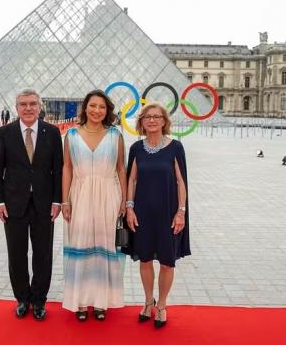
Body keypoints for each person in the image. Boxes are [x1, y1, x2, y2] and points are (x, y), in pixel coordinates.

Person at [0, 88, 63, 321]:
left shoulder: (52, 132)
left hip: (43, 204)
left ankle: (39, 300)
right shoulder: (5, 132)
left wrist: (57, 200)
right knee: (17, 254)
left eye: (33, 103)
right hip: (13, 204)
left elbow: (58, 170)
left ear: (39, 107)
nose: (28, 108)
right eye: (23, 104)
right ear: (16, 107)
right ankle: (22, 298)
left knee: (43, 255)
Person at [122, 103, 190, 329]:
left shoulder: (175, 147)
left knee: (168, 263)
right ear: (141, 121)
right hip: (142, 213)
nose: (152, 120)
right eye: (147, 117)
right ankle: (147, 300)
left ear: (164, 121)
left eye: (156, 117)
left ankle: (161, 305)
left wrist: (181, 212)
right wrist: (129, 208)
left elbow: (181, 182)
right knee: (144, 259)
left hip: (168, 213)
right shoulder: (136, 148)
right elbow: (131, 180)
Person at [61, 89, 127, 321]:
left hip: (109, 194)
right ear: (85, 108)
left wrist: (125, 201)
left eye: (102, 107)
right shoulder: (71, 135)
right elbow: (67, 168)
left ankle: (101, 302)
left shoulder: (115, 135)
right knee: (81, 243)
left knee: (103, 245)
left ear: (107, 110)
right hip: (79, 194)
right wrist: (64, 200)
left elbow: (121, 168)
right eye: (93, 106)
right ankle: (79, 301)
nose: (97, 110)